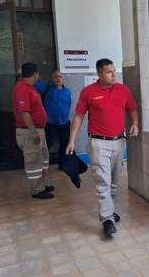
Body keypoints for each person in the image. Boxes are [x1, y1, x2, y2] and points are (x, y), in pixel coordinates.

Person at [65, 58, 139, 238]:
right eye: (108, 72)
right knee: (102, 182)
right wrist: (71, 141)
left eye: (114, 71)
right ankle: (107, 219)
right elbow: (78, 117)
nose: (114, 74)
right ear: (99, 74)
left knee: (114, 182)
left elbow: (132, 108)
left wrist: (135, 122)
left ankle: (109, 211)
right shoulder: (88, 92)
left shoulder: (122, 90)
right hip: (98, 143)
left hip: (119, 142)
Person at [13, 62, 54, 199]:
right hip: (29, 132)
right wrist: (33, 131)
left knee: (42, 158)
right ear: (35, 74)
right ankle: (37, 190)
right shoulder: (22, 88)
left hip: (38, 130)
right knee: (33, 161)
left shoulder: (31, 88)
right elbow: (24, 112)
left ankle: (44, 184)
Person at [37, 69, 72, 169]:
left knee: (64, 144)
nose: (58, 79)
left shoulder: (67, 91)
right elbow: (33, 82)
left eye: (60, 76)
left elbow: (68, 105)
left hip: (64, 122)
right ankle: (42, 164)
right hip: (50, 122)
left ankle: (62, 164)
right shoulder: (46, 89)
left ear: (63, 79)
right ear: (52, 79)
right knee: (48, 142)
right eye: (55, 77)